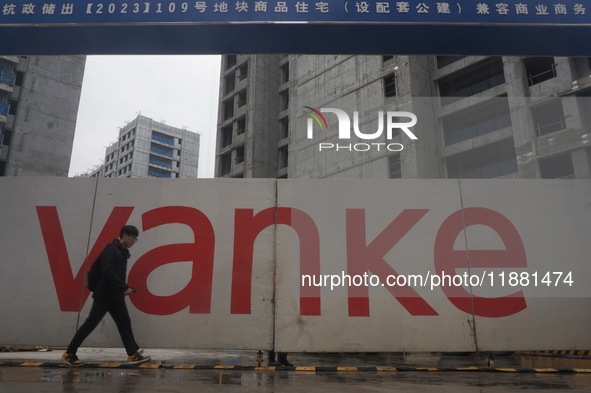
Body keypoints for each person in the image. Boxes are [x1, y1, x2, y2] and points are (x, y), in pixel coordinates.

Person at [62, 225, 150, 366]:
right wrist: (123, 287)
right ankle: (69, 353)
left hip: (115, 295)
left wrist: (122, 288)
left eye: (136, 239)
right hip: (104, 295)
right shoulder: (112, 250)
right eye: (133, 238)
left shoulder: (122, 252)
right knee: (90, 324)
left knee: (124, 323)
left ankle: (133, 353)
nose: (134, 241)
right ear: (125, 235)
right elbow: (107, 270)